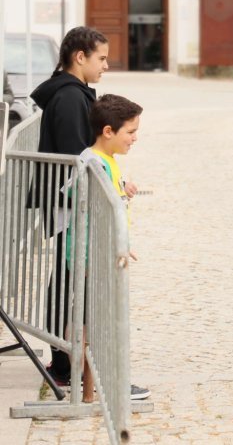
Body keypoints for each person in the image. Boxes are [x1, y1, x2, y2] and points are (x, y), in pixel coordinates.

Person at [31, 26, 111, 387]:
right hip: (69, 205)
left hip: (68, 204)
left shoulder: (71, 94)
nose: (105, 66)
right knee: (69, 284)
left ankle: (64, 362)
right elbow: (73, 158)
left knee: (66, 282)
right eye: (101, 58)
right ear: (80, 57)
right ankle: (66, 365)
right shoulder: (68, 98)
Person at [74, 93, 149, 401]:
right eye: (130, 132)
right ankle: (107, 384)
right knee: (101, 321)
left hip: (103, 250)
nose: (134, 139)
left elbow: (110, 202)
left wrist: (124, 192)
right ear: (108, 131)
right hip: (94, 254)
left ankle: (104, 382)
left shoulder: (107, 161)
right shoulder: (94, 162)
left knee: (101, 320)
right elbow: (91, 206)